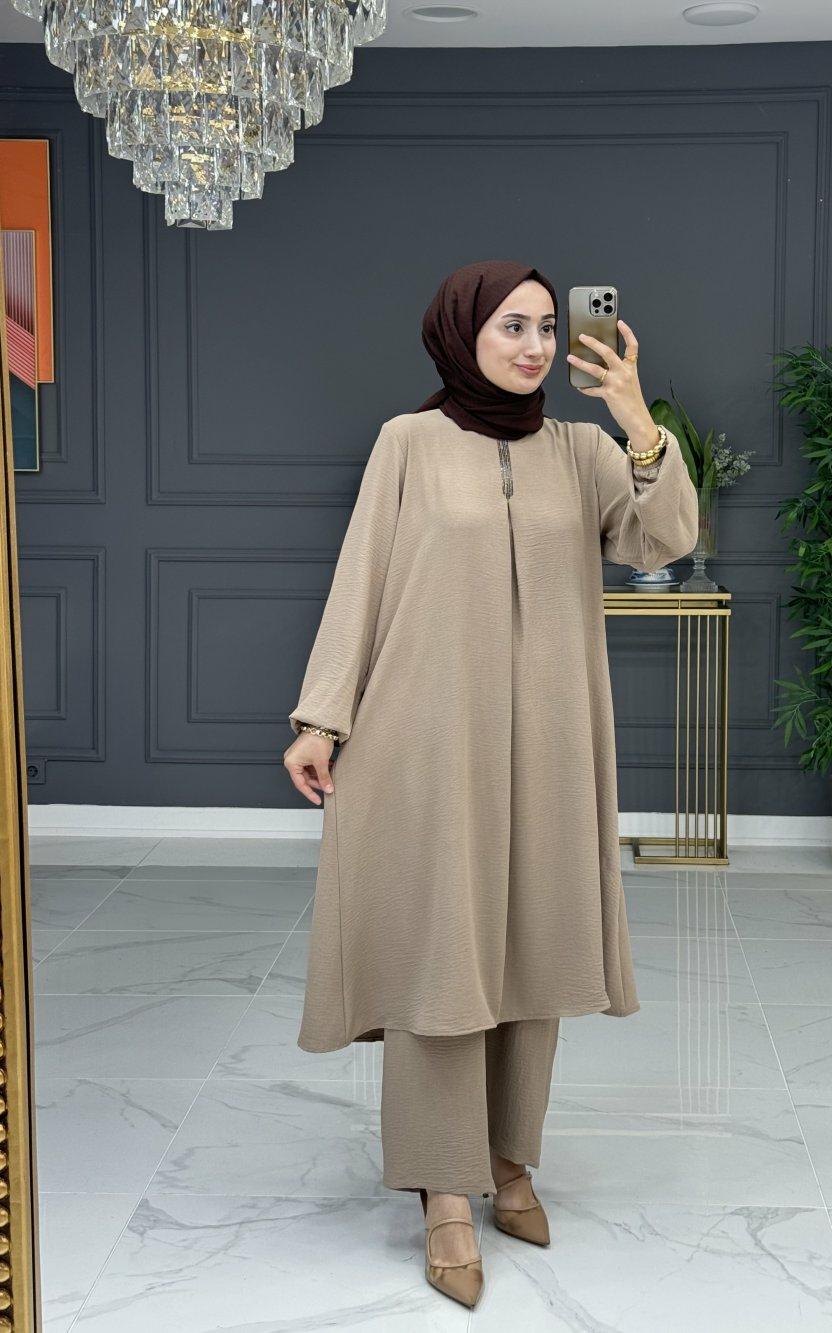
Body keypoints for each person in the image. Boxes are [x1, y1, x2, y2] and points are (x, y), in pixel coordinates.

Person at [283, 259, 699, 1308]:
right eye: (513, 325)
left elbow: (662, 538)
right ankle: (444, 1190)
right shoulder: (408, 442)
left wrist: (636, 421)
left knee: (533, 950)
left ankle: (510, 1156)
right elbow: (361, 577)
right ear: (461, 331)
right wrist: (322, 715)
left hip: (552, 742)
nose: (535, 346)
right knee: (442, 957)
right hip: (426, 738)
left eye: (548, 327)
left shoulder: (583, 451)